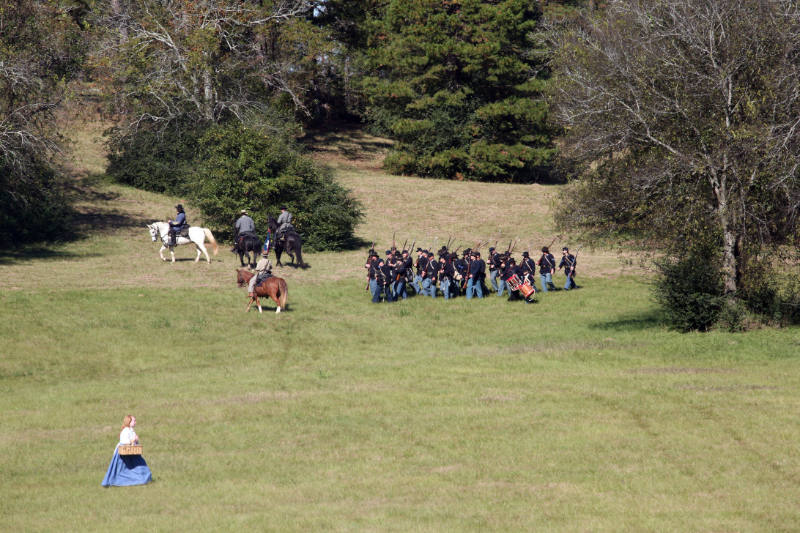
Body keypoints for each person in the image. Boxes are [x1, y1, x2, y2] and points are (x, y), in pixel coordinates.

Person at [101, 415, 153, 487]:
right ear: (129, 422)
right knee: (122, 469)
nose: (135, 422)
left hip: (133, 452)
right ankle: (118, 481)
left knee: (141, 466)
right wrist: (134, 440)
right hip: (124, 453)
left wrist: (135, 441)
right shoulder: (125, 431)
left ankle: (143, 479)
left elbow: (133, 442)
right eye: (134, 421)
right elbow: (124, 442)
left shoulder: (131, 430)